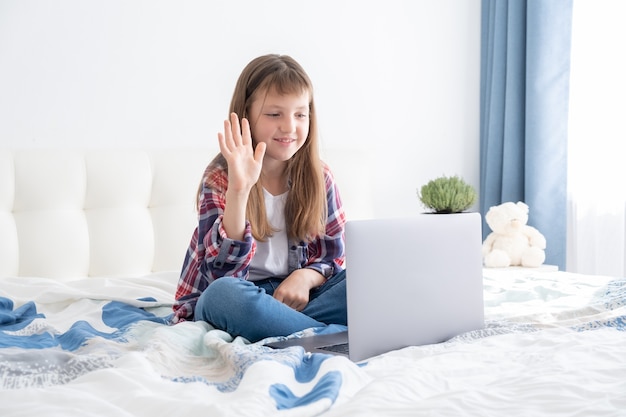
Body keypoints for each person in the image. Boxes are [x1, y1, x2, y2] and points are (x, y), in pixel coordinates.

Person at [172, 54, 348, 343]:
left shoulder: (320, 176)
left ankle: (292, 329)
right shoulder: (220, 178)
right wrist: (239, 191)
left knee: (365, 282)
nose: (290, 126)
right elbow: (222, 275)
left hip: (301, 297)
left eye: (300, 114)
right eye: (274, 114)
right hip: (241, 295)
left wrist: (304, 277)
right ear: (246, 117)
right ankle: (322, 334)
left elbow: (333, 256)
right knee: (222, 297)